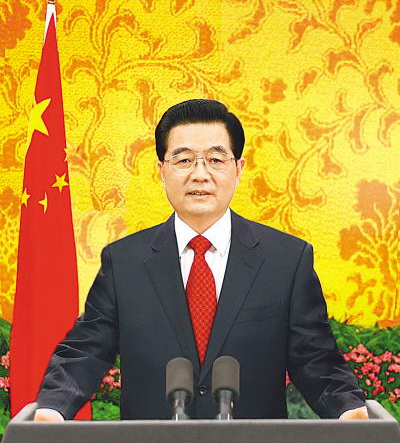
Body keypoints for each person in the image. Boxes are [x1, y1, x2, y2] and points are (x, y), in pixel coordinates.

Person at [34, 99, 368, 421]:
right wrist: (53, 408)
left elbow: (315, 359)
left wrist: (349, 411)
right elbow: (88, 349)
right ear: (162, 170)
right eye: (183, 160)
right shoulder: (124, 262)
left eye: (215, 159)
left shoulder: (286, 259)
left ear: (238, 169)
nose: (200, 174)